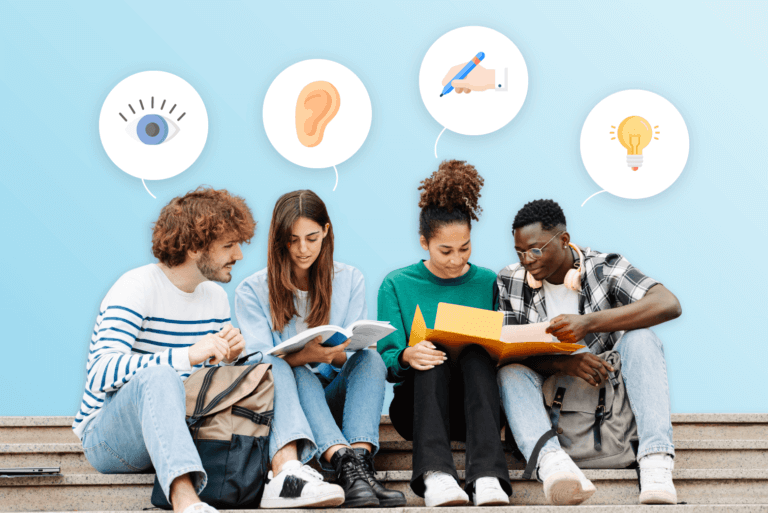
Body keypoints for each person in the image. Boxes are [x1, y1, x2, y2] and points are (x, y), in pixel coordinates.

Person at [73, 187, 256, 513]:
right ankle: (185, 500)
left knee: (261, 366)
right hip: (109, 439)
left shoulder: (214, 296)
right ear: (195, 247)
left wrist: (230, 357)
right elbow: (100, 372)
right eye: (229, 245)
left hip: (179, 430)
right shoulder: (136, 286)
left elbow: (204, 377)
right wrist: (187, 355)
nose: (239, 255)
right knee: (159, 376)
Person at [496, 199, 682, 506]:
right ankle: (553, 464)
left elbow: (668, 304)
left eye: (535, 249)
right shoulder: (510, 280)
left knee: (642, 339)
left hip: (606, 393)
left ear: (564, 240)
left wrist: (588, 323)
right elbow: (507, 350)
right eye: (519, 252)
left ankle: (655, 460)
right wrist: (564, 362)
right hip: (551, 394)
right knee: (509, 372)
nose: (526, 259)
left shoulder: (605, 267)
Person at [235, 190, 405, 509]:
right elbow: (259, 365)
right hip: (289, 409)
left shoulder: (349, 278)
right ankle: (343, 463)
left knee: (370, 358)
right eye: (292, 239)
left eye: (312, 238)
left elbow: (350, 356)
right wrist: (306, 356)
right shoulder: (252, 290)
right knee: (293, 368)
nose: (303, 249)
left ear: (326, 231)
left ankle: (360, 467)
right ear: (278, 239)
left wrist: (336, 351)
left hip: (335, 397)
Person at [377, 160, 512, 508]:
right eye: (445, 251)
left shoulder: (488, 281)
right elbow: (387, 359)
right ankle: (436, 476)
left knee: (476, 353)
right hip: (419, 408)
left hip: (477, 407)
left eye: (465, 248)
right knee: (431, 350)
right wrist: (408, 354)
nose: (456, 260)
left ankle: (487, 477)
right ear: (424, 242)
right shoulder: (396, 284)